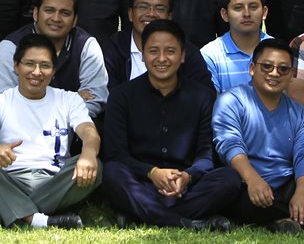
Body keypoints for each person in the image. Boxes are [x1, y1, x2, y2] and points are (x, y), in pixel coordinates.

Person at [102, 19, 241, 230]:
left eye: (170, 51)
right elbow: (116, 154)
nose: (161, 59)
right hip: (142, 183)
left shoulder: (203, 97)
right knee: (112, 173)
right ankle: (187, 222)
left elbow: (206, 155)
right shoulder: (122, 96)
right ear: (143, 55)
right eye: (153, 51)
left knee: (229, 178)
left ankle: (142, 215)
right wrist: (152, 173)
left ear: (183, 55)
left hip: (185, 186)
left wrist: (187, 177)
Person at [0, 33, 102, 229]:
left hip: (55, 180)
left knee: (97, 165)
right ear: (15, 66)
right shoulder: (0, 101)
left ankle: (9, 208)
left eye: (45, 66)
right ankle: (40, 220)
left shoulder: (68, 99)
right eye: (29, 64)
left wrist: (87, 154)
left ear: (53, 71)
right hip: (10, 178)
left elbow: (88, 130)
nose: (36, 72)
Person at [213, 39, 304, 233]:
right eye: (266, 67)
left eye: (283, 69)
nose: (274, 73)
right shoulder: (231, 101)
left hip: (286, 184)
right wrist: (253, 179)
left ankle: (291, 216)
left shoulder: (298, 112)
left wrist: (302, 193)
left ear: (292, 75)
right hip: (248, 184)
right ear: (252, 69)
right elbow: (229, 145)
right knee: (232, 189)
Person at [0, 0, 108, 118]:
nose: (56, 18)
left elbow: (96, 98)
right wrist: (71, 100)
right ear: (35, 14)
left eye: (65, 13)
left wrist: (59, 124)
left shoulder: (86, 45)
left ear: (75, 20)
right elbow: (6, 101)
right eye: (49, 10)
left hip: (74, 129)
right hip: (20, 127)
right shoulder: (11, 47)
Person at [101, 0, 212, 92]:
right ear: (130, 14)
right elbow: (107, 94)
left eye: (159, 9)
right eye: (143, 7)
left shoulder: (186, 50)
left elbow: (205, 94)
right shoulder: (115, 47)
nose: (151, 14)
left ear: (170, 17)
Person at [200, 0, 270, 94]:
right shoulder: (210, 54)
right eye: (238, 8)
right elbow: (212, 105)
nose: (246, 14)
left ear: (264, 12)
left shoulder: (279, 50)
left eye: (253, 7)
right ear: (225, 14)